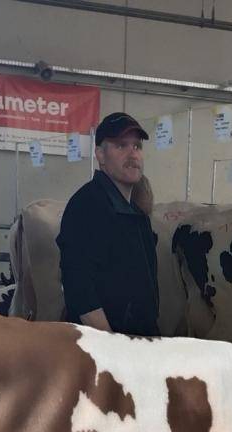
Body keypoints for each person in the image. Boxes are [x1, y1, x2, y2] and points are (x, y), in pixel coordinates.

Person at [56, 112, 160, 335]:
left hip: (136, 345)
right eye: (121, 145)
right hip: (103, 351)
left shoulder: (136, 212)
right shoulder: (87, 206)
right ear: (100, 155)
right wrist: (114, 350)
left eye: (137, 146)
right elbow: (80, 291)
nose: (133, 153)